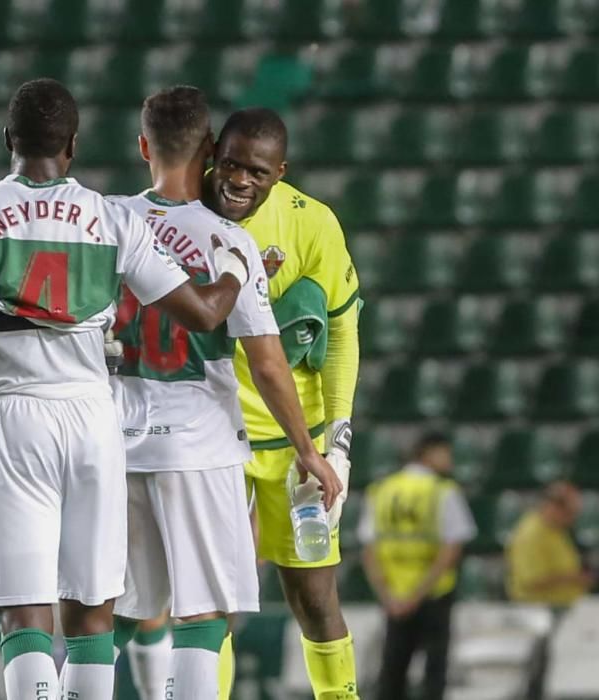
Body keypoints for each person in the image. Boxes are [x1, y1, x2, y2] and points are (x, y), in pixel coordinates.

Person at [0, 77, 254, 700]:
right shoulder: (111, 217)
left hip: (14, 416)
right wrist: (235, 269)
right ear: (73, 145)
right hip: (96, 420)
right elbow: (201, 313)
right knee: (92, 610)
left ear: (10, 140)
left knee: (24, 609)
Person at [109, 87, 341, 700]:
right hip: (200, 444)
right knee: (204, 613)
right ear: (211, 150)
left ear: (142, 146)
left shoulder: (106, 219)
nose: (238, 178)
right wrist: (311, 450)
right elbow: (267, 364)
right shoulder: (227, 241)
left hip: (118, 439)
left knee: (115, 609)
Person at [203, 108, 361, 699]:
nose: (241, 181)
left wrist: (339, 444)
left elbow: (343, 333)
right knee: (210, 598)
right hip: (212, 436)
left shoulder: (313, 224)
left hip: (298, 442)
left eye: (259, 173)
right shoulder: (184, 214)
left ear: (281, 173)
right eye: (233, 164)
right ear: (214, 152)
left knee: (314, 595)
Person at [359, 432, 476, 700]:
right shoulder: (443, 491)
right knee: (434, 672)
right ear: (429, 452)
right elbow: (450, 551)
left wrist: (388, 596)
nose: (450, 460)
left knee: (392, 670)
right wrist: (417, 595)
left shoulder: (381, 490)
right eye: (446, 453)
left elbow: (370, 550)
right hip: (432, 594)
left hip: (394, 596)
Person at [506, 481, 593, 607]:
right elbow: (531, 581)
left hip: (564, 607)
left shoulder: (556, 529)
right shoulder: (531, 534)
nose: (573, 518)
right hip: (539, 611)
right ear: (552, 506)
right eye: (570, 512)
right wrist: (573, 578)